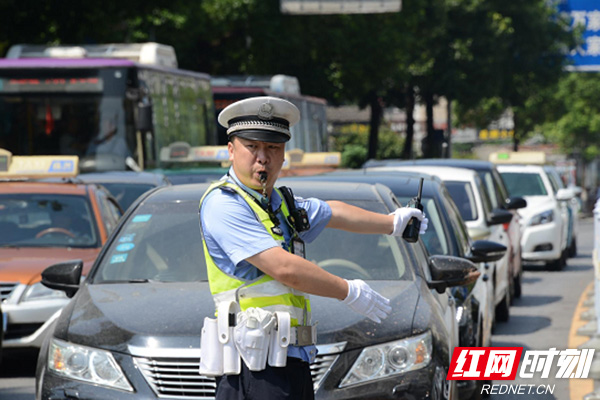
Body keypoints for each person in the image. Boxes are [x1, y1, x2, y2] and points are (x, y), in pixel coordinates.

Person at [198, 96, 428, 400]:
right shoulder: (224, 204)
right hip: (252, 368)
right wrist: (348, 291)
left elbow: (333, 211)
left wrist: (392, 223)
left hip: (290, 361)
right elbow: (284, 269)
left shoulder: (276, 203)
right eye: (252, 147)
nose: (262, 158)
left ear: (283, 156)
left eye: (272, 148)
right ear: (231, 150)